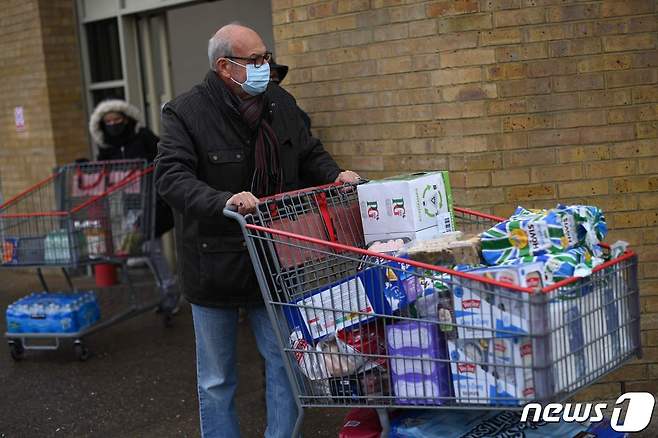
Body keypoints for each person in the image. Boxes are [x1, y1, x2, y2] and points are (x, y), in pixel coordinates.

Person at [154, 23, 360, 438]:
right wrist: (223, 200)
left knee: (284, 364)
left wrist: (335, 175)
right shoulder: (186, 112)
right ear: (225, 67)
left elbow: (306, 151)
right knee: (216, 379)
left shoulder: (278, 102)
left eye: (266, 57)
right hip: (214, 262)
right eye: (255, 60)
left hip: (275, 258)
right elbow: (171, 177)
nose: (266, 66)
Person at [88, 99, 179, 314]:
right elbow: (104, 173)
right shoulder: (107, 147)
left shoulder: (143, 137)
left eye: (117, 119)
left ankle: (170, 291)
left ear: (127, 118)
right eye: (108, 122)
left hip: (153, 200)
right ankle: (167, 289)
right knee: (146, 249)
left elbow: (163, 157)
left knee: (150, 248)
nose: (114, 124)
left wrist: (152, 171)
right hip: (128, 204)